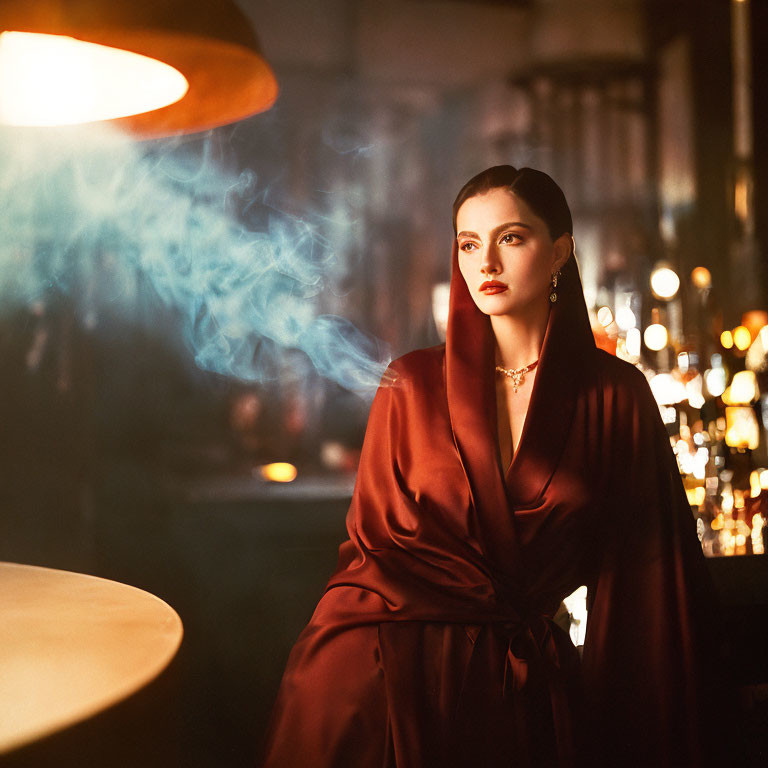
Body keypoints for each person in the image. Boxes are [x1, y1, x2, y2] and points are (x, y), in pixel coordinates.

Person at [259, 166, 737, 767]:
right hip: (386, 679)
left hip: (530, 686)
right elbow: (369, 557)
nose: (486, 262)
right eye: (468, 243)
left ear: (561, 250)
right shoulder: (409, 384)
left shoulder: (616, 395)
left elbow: (652, 575)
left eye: (511, 238)